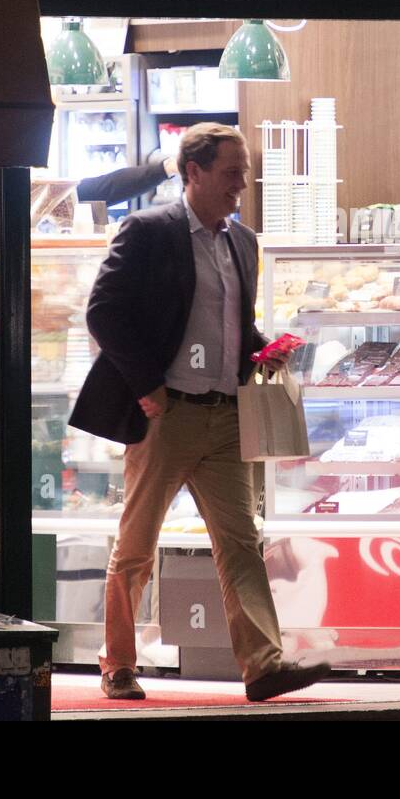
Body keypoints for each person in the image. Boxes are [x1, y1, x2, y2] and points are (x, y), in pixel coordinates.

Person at [69, 122, 331, 702]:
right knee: (136, 547)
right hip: (167, 416)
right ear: (193, 172)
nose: (243, 184)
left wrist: (267, 349)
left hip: (226, 415)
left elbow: (233, 327)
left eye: (245, 174)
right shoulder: (146, 230)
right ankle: (117, 664)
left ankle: (263, 665)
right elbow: (104, 313)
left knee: (241, 541)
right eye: (232, 173)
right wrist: (148, 387)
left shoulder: (242, 242)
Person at [75, 149, 177, 205]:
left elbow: (103, 189)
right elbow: (104, 189)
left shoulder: (66, 191)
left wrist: (165, 169)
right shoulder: (62, 192)